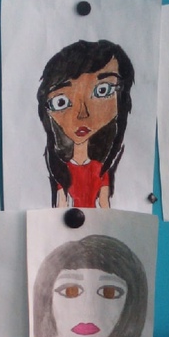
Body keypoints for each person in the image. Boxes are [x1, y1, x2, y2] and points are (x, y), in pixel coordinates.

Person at [32, 234, 147, 337]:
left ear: (130, 302)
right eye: (70, 291)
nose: (88, 310)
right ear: (47, 298)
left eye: (109, 292)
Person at [37, 39, 134, 209]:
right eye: (61, 101)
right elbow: (61, 206)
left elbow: (104, 205)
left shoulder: (100, 170)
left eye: (102, 90)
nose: (82, 114)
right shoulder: (62, 172)